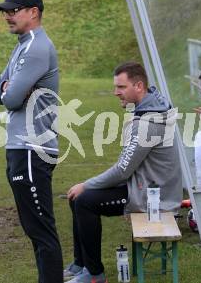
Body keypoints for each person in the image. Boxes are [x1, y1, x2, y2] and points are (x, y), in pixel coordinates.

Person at [64, 62, 182, 283]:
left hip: (153, 198)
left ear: (138, 86)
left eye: (121, 87)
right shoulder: (152, 105)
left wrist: (87, 184)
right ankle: (80, 265)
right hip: (145, 184)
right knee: (77, 198)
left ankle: (94, 274)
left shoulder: (148, 121)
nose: (115, 92)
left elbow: (122, 170)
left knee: (84, 200)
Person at [0, 0, 63, 283]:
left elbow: (10, 98)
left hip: (32, 148)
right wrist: (6, 87)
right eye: (6, 11)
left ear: (34, 12)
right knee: (36, 230)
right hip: (22, 148)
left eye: (13, 10)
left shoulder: (35, 47)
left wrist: (8, 88)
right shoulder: (23, 44)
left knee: (41, 230)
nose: (8, 16)